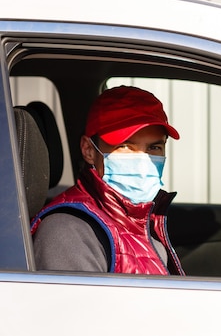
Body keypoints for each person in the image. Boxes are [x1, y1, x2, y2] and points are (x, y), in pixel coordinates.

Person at [30, 85, 184, 275]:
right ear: (88, 150)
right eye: (126, 146)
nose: (143, 160)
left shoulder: (143, 224)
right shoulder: (67, 232)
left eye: (154, 148)